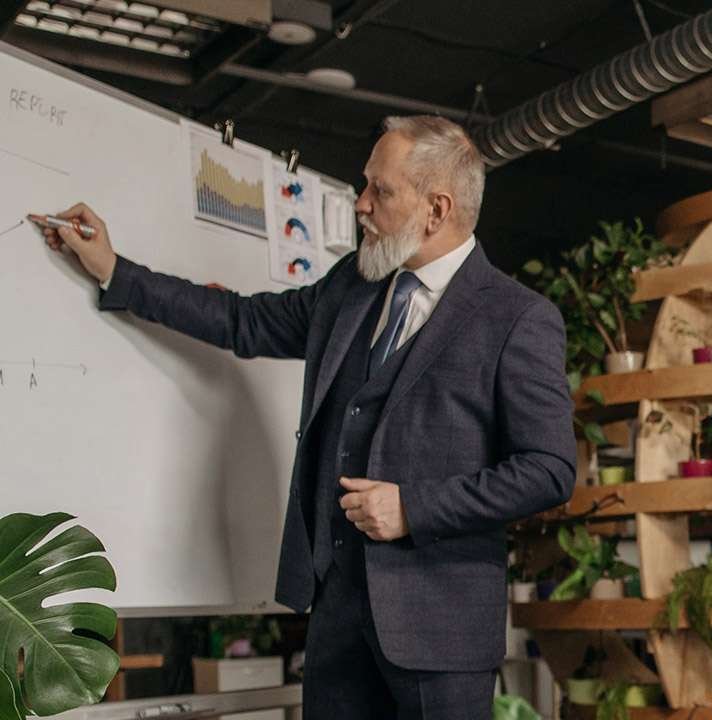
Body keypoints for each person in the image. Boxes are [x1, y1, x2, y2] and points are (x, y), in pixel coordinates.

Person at [38, 115, 576, 719]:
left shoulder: (516, 318)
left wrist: (413, 507)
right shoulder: (353, 284)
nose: (362, 204)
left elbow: (549, 470)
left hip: (440, 629)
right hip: (336, 614)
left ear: (437, 208)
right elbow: (242, 322)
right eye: (364, 185)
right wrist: (115, 270)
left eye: (381, 190)